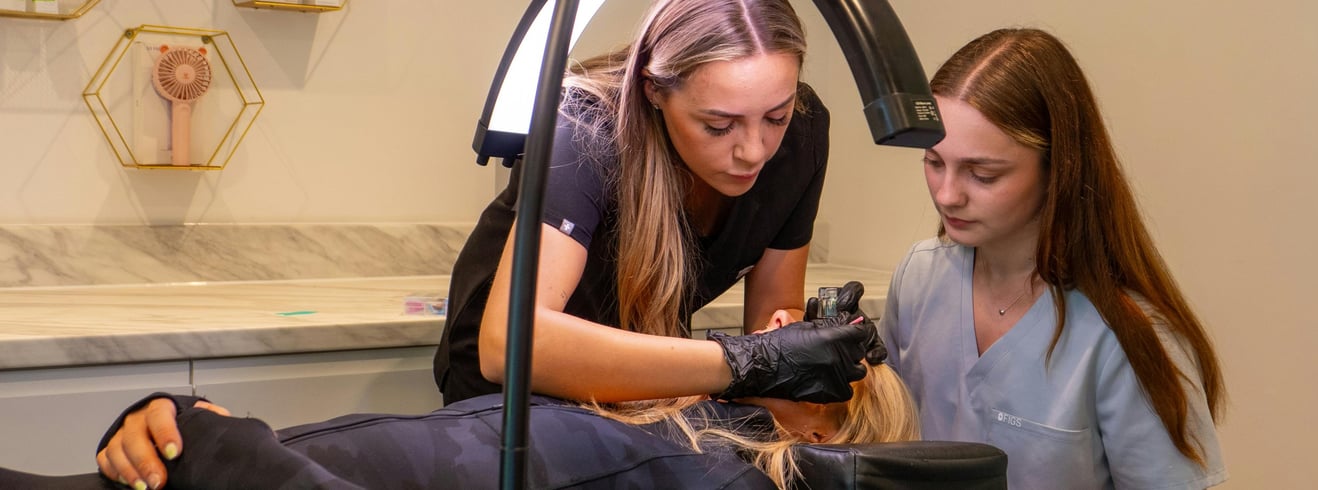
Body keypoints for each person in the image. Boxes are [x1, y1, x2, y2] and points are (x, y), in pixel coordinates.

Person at [434, 0, 882, 407]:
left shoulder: (801, 137)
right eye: (718, 124)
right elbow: (508, 345)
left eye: (775, 117)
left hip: (645, 388)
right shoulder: (585, 128)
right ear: (653, 91)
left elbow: (770, 316)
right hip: (514, 399)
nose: (755, 151)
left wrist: (812, 341)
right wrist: (748, 360)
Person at [879, 28, 1228, 489]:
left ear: (1058, 169)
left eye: (982, 174)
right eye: (934, 162)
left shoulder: (1127, 335)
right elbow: (880, 442)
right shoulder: (920, 277)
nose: (947, 195)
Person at [35, 359, 916, 489]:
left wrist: (223, 450)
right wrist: (166, 422)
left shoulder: (710, 474)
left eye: (822, 363)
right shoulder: (661, 420)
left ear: (829, 434)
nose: (780, 333)